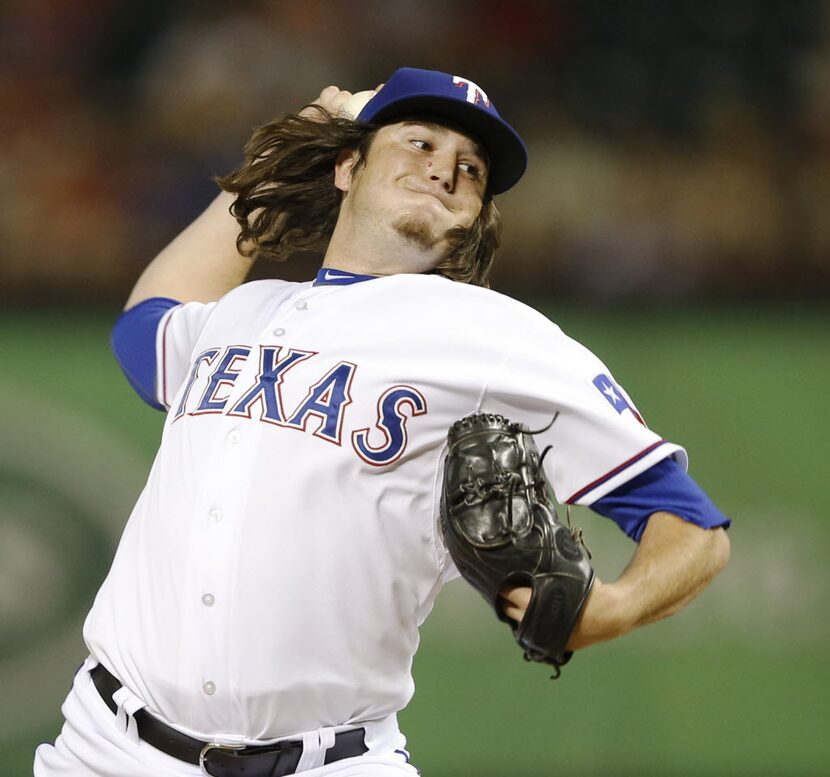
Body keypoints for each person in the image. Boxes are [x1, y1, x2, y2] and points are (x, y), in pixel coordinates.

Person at [35, 67, 731, 777]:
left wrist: (614, 607)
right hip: (106, 745)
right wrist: (283, 159)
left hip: (329, 761)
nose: (444, 170)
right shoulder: (246, 312)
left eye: (470, 167)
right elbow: (142, 328)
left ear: (475, 210)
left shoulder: (497, 339)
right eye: (419, 142)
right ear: (348, 166)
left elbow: (691, 526)